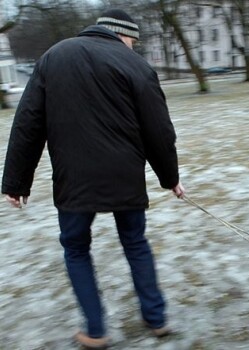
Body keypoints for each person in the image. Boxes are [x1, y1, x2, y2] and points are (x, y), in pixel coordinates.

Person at [2, 9, 185, 349]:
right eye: (132, 41)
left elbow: (28, 123)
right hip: (125, 176)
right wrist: (169, 178)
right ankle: (156, 318)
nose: (132, 48)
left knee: (75, 248)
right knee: (135, 242)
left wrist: (16, 181)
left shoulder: (53, 57)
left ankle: (96, 329)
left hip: (74, 179)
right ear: (121, 35)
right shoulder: (137, 67)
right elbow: (159, 131)